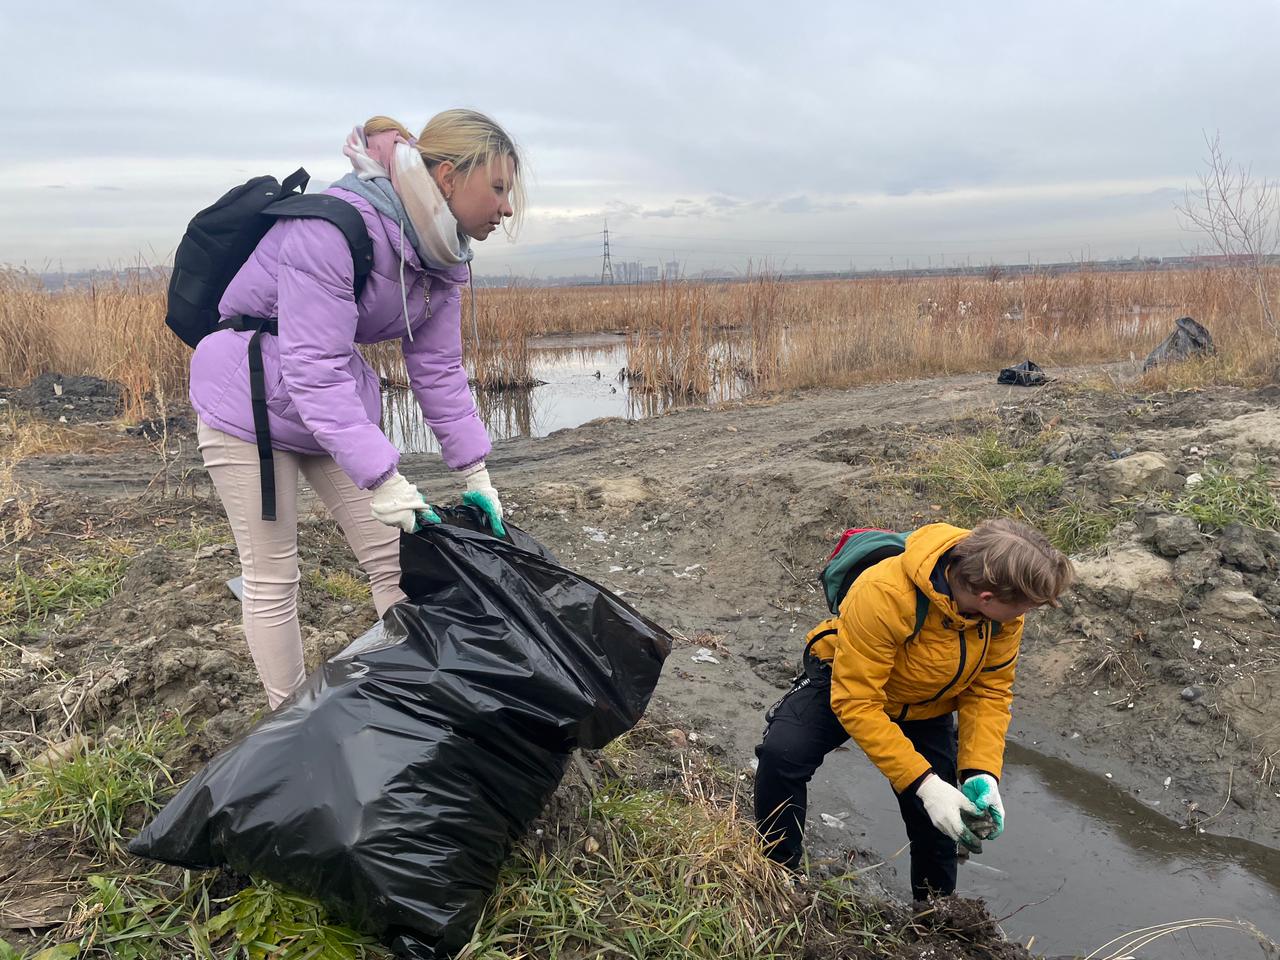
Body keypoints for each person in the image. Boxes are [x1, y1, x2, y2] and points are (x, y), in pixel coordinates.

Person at [190, 111, 525, 709]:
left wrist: (476, 471)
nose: (506, 208)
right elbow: (311, 365)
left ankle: (418, 701)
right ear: (447, 177)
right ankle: (287, 727)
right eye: (498, 188)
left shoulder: (443, 257)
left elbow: (438, 368)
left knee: (396, 557)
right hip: (248, 404)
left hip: (325, 403)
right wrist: (384, 475)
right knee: (272, 575)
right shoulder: (332, 227)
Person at [753, 519, 1074, 901]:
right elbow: (857, 702)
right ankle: (778, 873)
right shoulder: (882, 592)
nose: (1025, 614)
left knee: (942, 823)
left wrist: (982, 772)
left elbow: (989, 691)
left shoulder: (1002, 617)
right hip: (852, 683)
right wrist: (925, 783)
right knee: (782, 754)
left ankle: (937, 916)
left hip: (927, 703)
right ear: (987, 597)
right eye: (1026, 606)